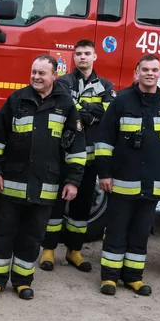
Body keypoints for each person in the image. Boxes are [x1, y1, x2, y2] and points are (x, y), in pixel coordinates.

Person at [0, 56, 85, 300]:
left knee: (32, 235)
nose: (37, 77)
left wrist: (73, 180)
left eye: (42, 73)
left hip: (45, 186)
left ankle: (22, 281)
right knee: (3, 234)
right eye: (33, 72)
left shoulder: (66, 105)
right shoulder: (17, 99)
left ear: (54, 76)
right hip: (12, 185)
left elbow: (76, 148)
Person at [95, 55, 160, 296]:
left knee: (140, 233)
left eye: (154, 70)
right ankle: (109, 278)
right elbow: (104, 141)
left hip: (152, 184)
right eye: (145, 69)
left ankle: (133, 277)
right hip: (122, 182)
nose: (150, 73)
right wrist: (104, 173)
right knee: (116, 230)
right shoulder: (121, 101)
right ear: (137, 72)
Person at [40, 39, 115, 272]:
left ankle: (75, 251)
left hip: (89, 158)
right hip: (63, 154)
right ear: (73, 57)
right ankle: (49, 250)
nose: (83, 57)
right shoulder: (62, 82)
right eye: (79, 53)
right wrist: (90, 113)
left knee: (82, 207)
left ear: (95, 57)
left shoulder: (105, 85)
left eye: (87, 53)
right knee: (55, 203)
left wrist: (83, 111)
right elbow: (65, 109)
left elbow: (108, 114)